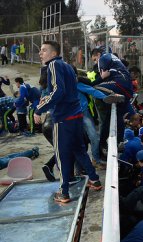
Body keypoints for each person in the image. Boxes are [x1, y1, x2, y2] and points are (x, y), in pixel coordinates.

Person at [34, 40, 102, 203]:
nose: (40, 53)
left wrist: (39, 108)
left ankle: (64, 192)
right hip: (75, 116)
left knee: (62, 155)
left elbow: (58, 91)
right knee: (79, 150)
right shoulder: (66, 66)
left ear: (53, 53)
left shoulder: (53, 66)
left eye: (44, 50)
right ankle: (95, 180)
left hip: (64, 118)